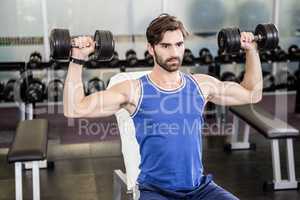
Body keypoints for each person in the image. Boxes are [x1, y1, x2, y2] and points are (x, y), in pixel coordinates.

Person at [63, 14, 262, 200]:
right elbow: (75, 108)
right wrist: (77, 59)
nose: (174, 52)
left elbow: (253, 93)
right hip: (157, 192)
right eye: (165, 46)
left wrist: (252, 50)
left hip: (199, 189)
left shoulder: (201, 85)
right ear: (151, 48)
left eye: (179, 44)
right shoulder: (134, 91)